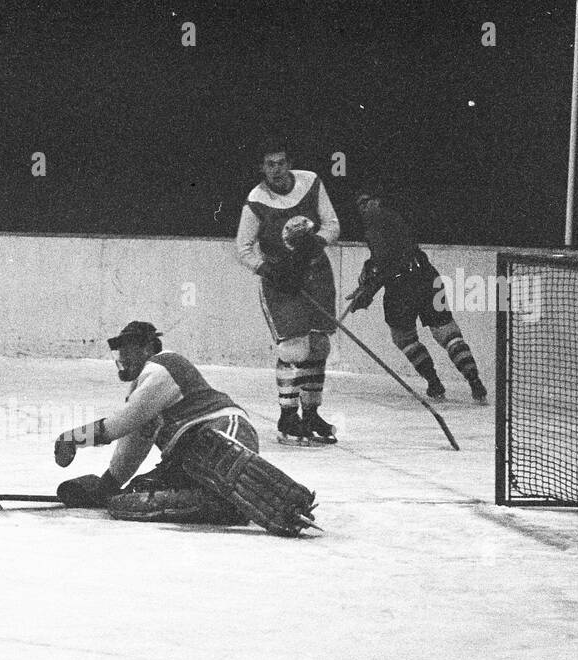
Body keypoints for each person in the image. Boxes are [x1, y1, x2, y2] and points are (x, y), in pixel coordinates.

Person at [51, 321, 319, 537]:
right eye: (119, 350)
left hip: (221, 430)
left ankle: (221, 492)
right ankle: (218, 501)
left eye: (128, 348)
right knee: (131, 496)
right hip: (189, 450)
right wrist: (108, 487)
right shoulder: (143, 387)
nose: (122, 356)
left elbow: (120, 425)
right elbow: (136, 440)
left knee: (200, 449)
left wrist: (72, 439)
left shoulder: (162, 366)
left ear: (147, 347)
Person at [235, 138, 342, 445]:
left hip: (316, 274)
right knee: (294, 348)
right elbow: (243, 249)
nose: (277, 169)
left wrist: (317, 242)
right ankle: (287, 415)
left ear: (289, 163)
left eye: (281, 163)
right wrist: (269, 270)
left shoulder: (311, 182)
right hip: (281, 281)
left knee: (319, 345)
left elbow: (332, 224)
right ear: (262, 169)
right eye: (270, 164)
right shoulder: (256, 200)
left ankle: (311, 413)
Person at [347, 189, 487, 403]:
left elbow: (386, 262)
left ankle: (434, 383)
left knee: (403, 337)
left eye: (366, 202)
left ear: (377, 201)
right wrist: (369, 277)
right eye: (360, 205)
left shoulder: (375, 220)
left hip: (401, 286)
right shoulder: (395, 218)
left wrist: (369, 291)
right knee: (448, 333)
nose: (363, 208)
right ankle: (475, 383)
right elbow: (388, 256)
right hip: (426, 276)